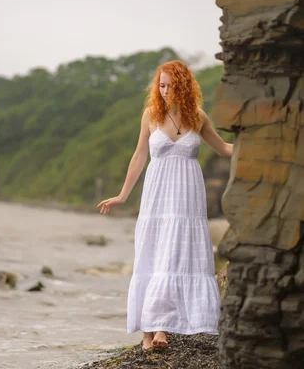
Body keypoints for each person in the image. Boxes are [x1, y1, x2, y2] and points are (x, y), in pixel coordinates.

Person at [97, 60, 233, 350]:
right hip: (157, 197)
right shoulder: (150, 116)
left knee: (174, 256)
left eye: (171, 85)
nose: (166, 91)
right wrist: (122, 195)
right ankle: (149, 332)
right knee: (153, 255)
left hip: (187, 199)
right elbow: (139, 157)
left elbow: (224, 149)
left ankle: (162, 328)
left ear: (183, 87)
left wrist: (262, 141)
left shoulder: (197, 117)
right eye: (161, 85)